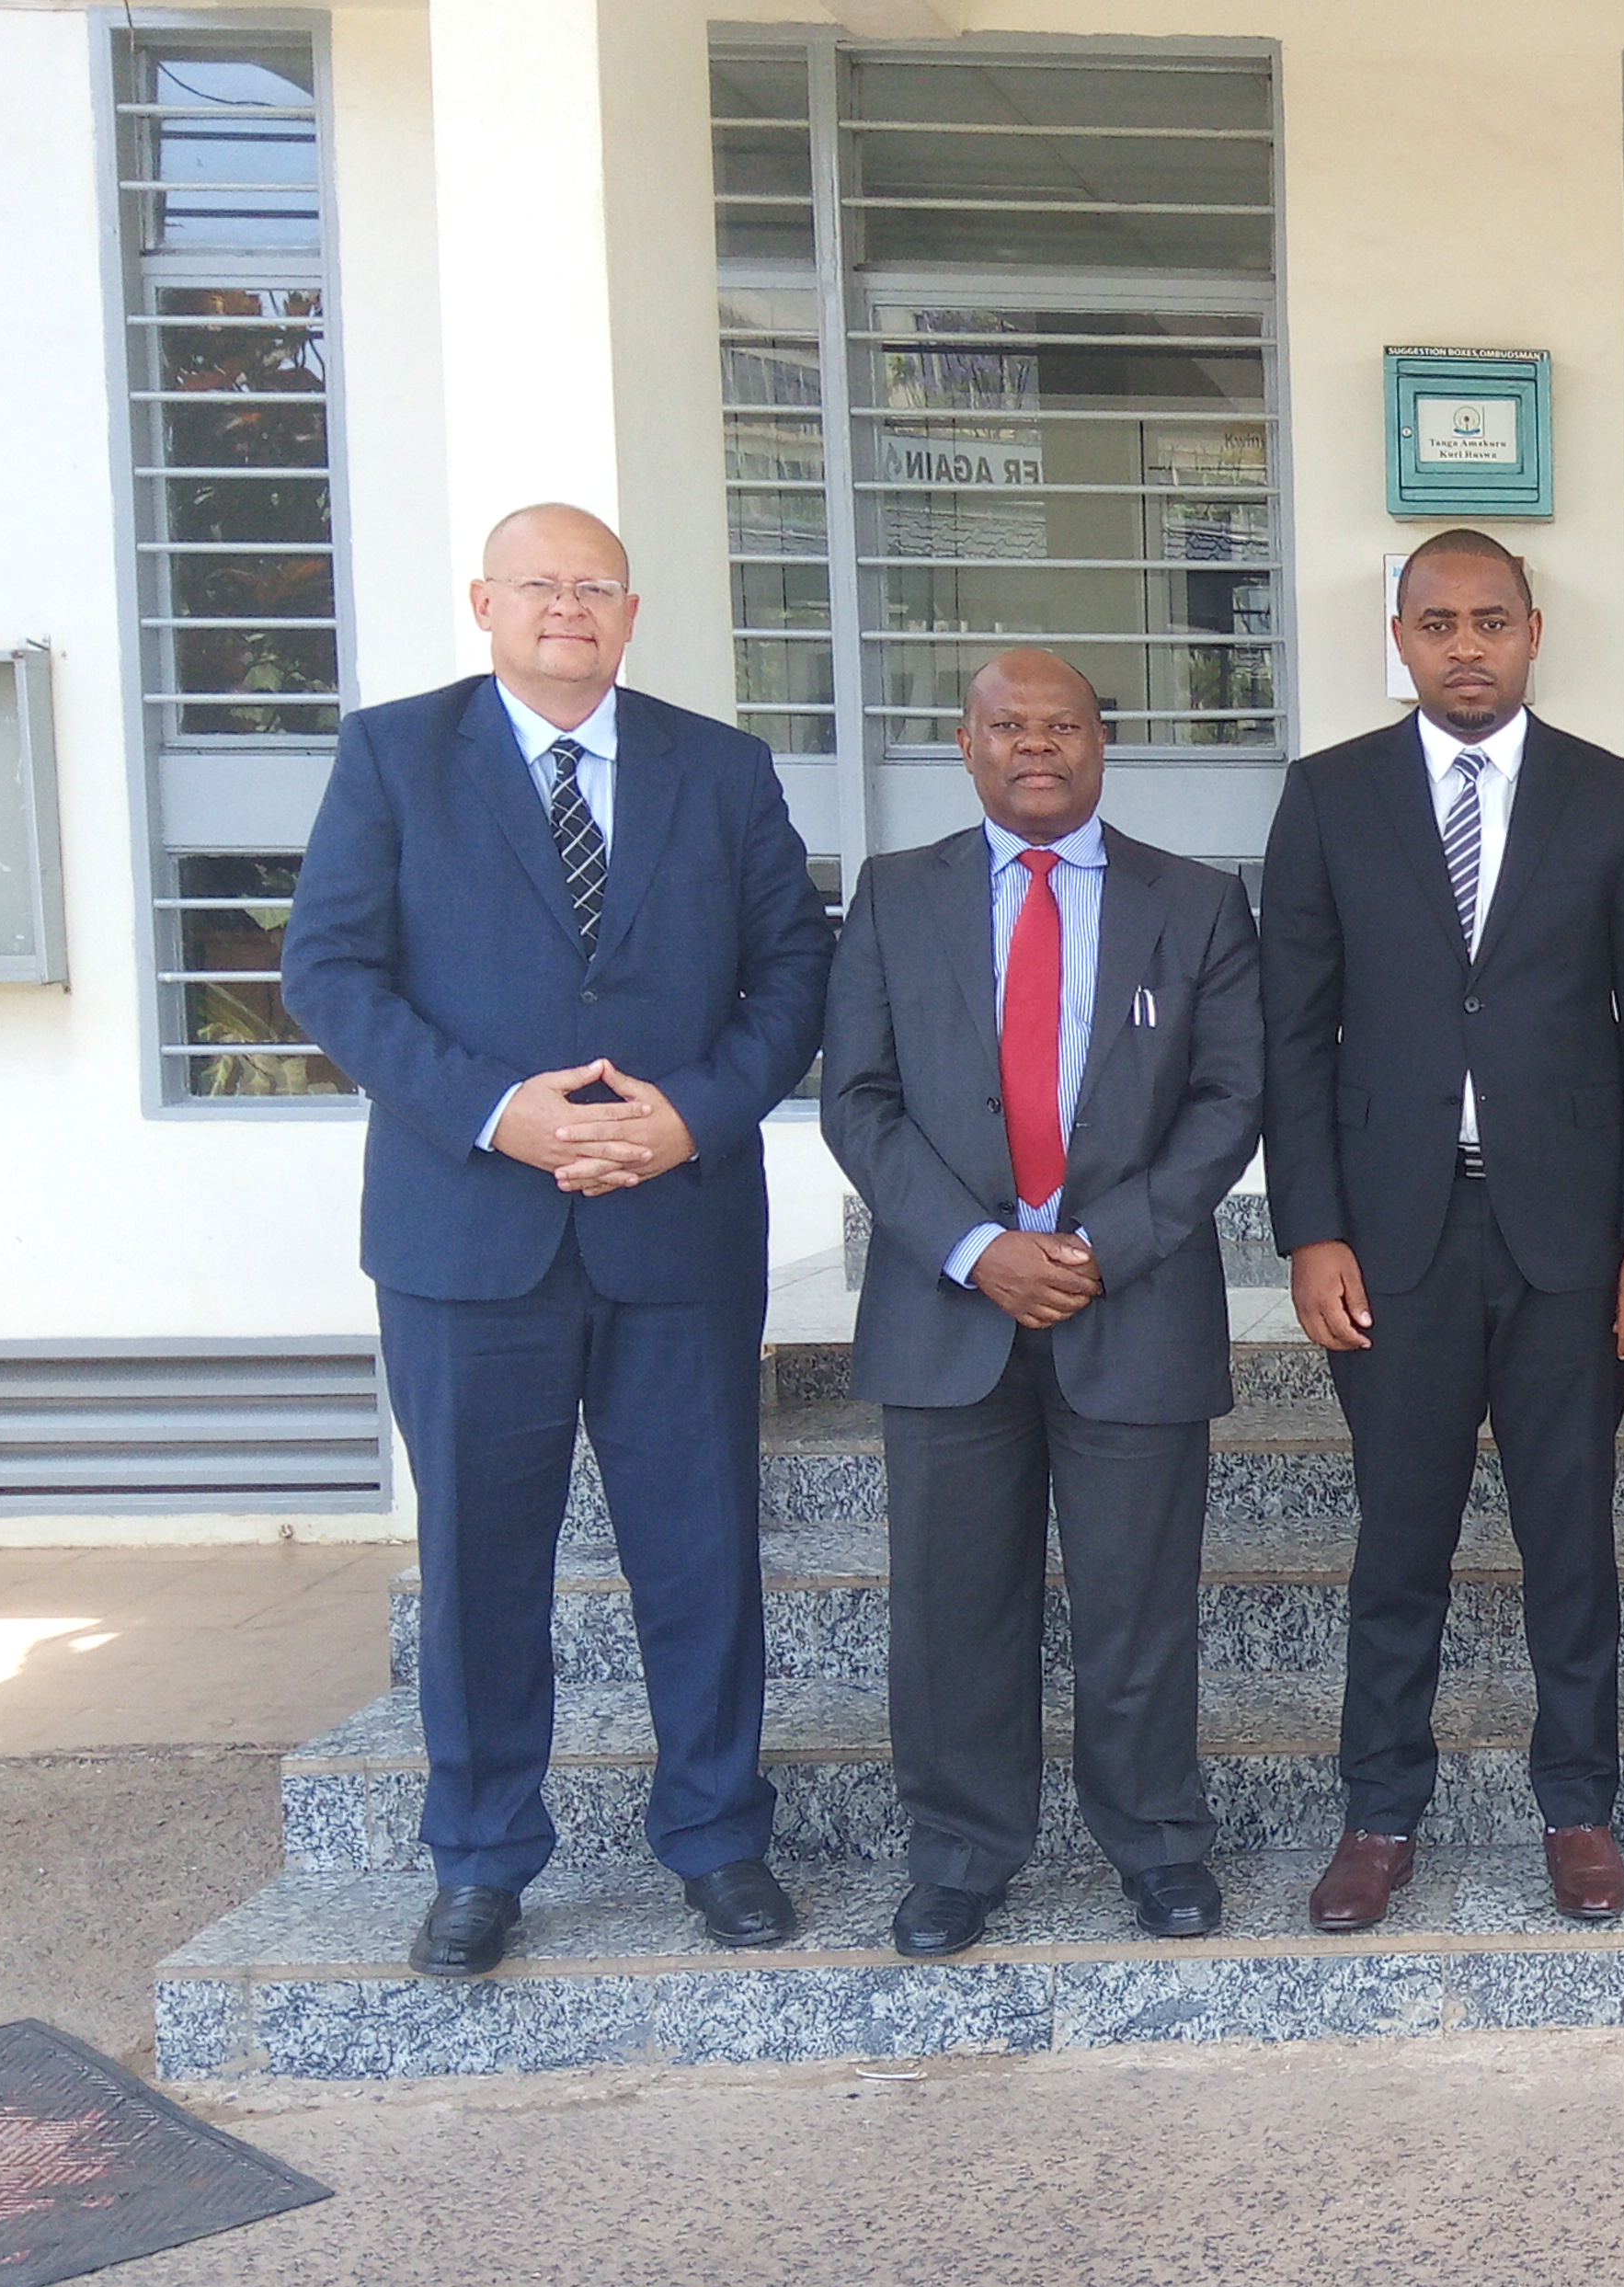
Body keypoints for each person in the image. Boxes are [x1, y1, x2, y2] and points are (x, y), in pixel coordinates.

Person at [281, 503, 831, 1978]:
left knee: (703, 1557)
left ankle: (719, 1839)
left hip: (677, 1234)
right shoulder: (396, 756)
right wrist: (495, 1111)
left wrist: (694, 1116)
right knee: (479, 1566)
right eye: (541, 584)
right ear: (484, 602)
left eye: (597, 585)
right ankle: (480, 1859)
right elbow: (328, 973)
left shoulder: (719, 770)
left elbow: (795, 970)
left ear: (633, 612)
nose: (569, 608)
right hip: (468, 1241)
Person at [1257, 530, 1624, 1932]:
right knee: (1401, 1540)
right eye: (1437, 623)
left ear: (1532, 633)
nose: (1464, 645)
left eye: (1489, 620)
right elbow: (1292, 1035)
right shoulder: (1327, 799)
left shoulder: (1615, 801)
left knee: (1571, 1537)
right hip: (1392, 1236)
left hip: (1569, 1241)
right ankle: (1380, 1812)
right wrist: (1309, 1231)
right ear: (1400, 637)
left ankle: (1579, 1805)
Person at [819, 652, 1265, 1960]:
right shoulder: (897, 897)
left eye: (1062, 725)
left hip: (1129, 1304)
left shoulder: (1196, 906)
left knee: (1139, 1604)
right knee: (953, 1609)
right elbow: (859, 1098)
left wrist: (1098, 1246)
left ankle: (1159, 1844)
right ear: (965, 745)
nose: (1036, 747)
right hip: (945, 1309)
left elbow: (1230, 1101)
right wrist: (975, 1248)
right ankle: (959, 1856)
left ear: (1100, 745)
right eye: (1008, 726)